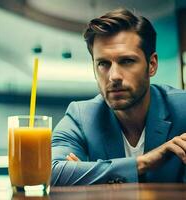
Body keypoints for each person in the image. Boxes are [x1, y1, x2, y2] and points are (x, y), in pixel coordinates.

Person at [51, 8, 186, 186]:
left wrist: (89, 175)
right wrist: (144, 162)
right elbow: (51, 173)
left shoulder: (183, 109)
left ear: (151, 65)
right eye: (103, 64)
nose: (114, 76)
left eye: (127, 61)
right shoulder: (81, 116)